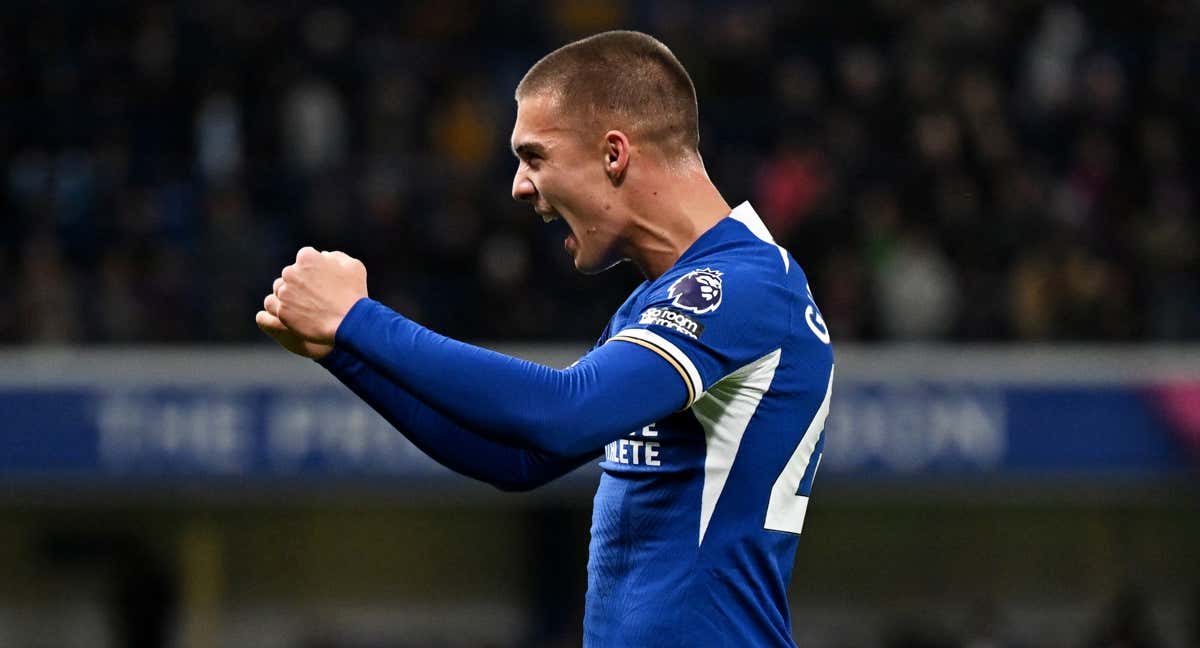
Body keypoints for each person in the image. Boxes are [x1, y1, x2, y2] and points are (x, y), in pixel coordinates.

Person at [256, 30, 834, 647]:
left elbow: (563, 412)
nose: (519, 186)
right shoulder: (665, 300)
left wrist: (359, 319)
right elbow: (520, 459)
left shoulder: (741, 288)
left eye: (534, 156)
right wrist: (344, 349)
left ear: (614, 153)